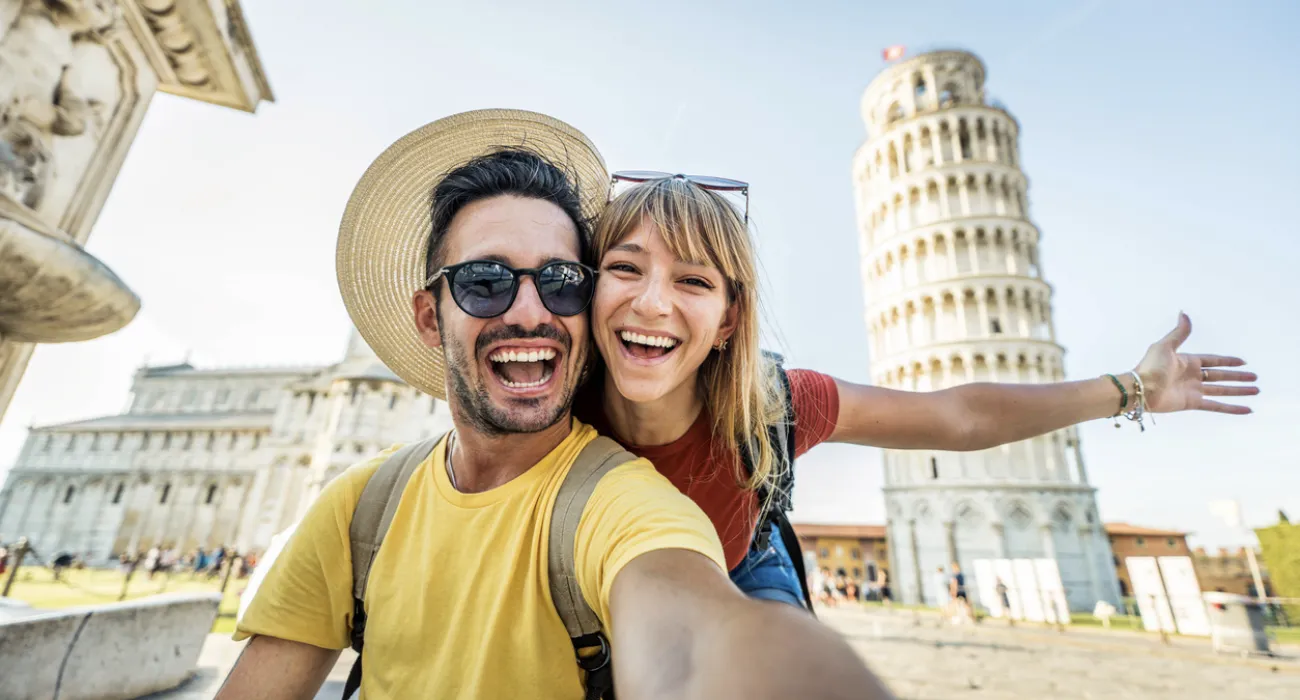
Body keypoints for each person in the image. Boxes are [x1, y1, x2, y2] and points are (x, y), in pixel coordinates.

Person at [219, 110, 888, 700]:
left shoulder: (624, 502)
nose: (532, 310)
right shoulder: (361, 507)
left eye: (563, 282)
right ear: (430, 317)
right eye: (486, 281)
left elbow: (693, 635)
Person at [579, 173, 1258, 609]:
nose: (652, 302)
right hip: (610, 589)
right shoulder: (556, 414)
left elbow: (959, 417)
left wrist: (1133, 387)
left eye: (693, 281)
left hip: (740, 567)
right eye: (625, 268)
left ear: (730, 320)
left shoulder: (776, 407)